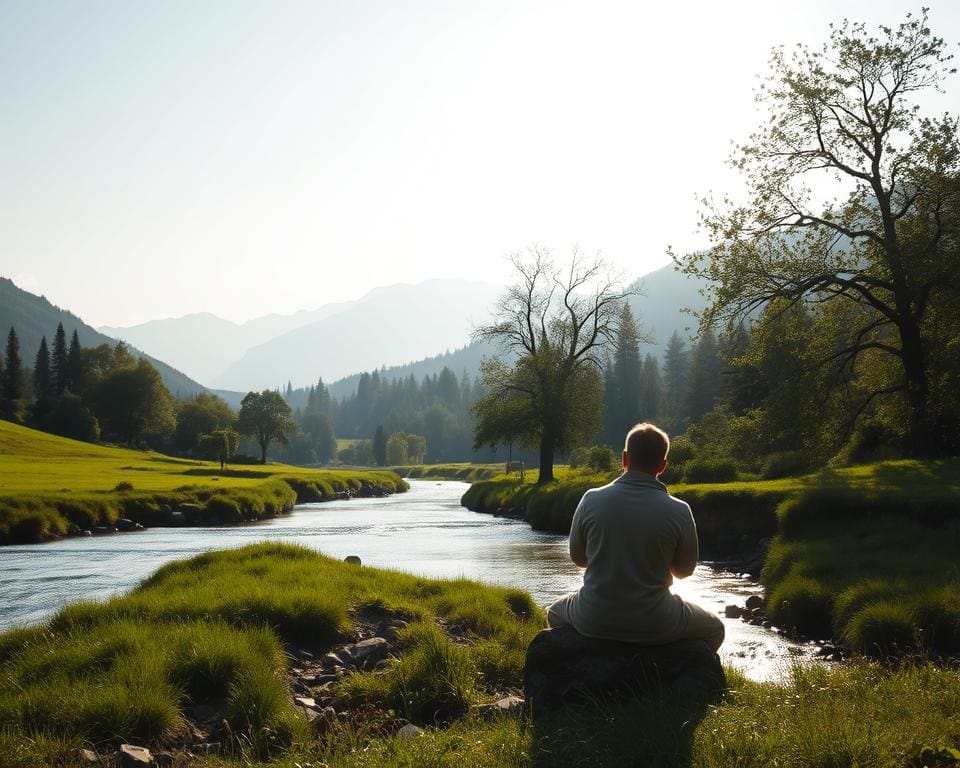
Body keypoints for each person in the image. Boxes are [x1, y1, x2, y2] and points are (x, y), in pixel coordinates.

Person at [546, 422, 724, 652]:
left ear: (624, 459)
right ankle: (682, 677)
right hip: (657, 622)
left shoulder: (590, 499)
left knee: (553, 612)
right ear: (662, 465)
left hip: (593, 617)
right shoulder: (680, 510)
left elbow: (579, 559)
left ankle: (586, 664)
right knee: (716, 629)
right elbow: (684, 571)